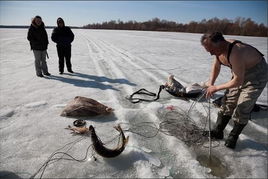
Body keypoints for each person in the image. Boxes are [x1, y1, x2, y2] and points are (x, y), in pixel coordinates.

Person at [201, 32, 268, 149]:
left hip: (256, 75)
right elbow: (216, 67)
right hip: (239, 73)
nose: (211, 53)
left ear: (220, 43)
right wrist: (211, 83)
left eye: (211, 50)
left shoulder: (236, 52)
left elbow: (238, 81)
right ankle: (218, 131)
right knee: (228, 101)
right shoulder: (218, 50)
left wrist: (216, 88)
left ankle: (233, 136)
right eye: (208, 51)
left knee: (243, 105)